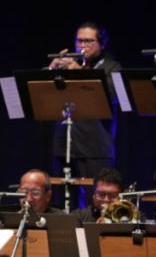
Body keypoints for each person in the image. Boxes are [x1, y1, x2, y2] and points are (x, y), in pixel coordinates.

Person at [48, 23, 121, 192]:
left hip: (95, 147)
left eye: (88, 41)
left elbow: (108, 96)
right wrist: (52, 69)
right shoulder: (68, 66)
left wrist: (79, 72)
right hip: (64, 144)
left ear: (102, 43)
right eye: (79, 41)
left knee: (95, 198)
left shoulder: (112, 67)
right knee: (62, 199)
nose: (82, 45)